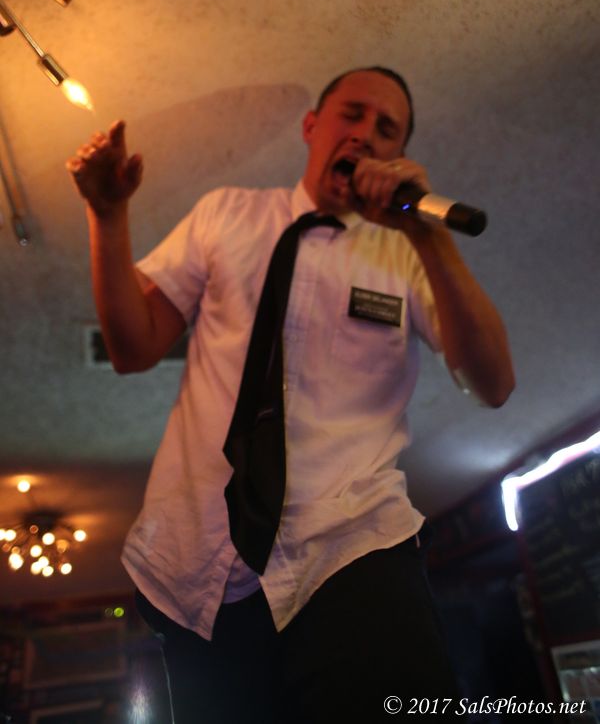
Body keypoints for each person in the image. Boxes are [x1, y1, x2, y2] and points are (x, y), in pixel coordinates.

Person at [67, 67, 514, 723]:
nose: (364, 134)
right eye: (352, 114)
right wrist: (107, 217)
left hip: (352, 544)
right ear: (311, 126)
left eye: (386, 128)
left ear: (397, 155)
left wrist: (428, 235)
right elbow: (133, 348)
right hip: (199, 568)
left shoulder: (408, 257)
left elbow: (495, 384)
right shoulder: (227, 212)